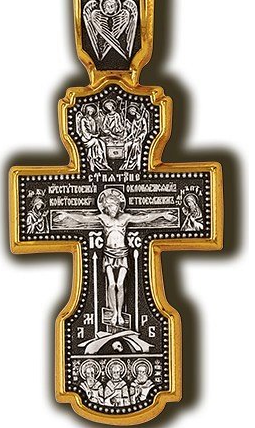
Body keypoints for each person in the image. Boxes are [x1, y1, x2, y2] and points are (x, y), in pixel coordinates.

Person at [55, 189, 176, 326]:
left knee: (120, 284)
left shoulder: (125, 218)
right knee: (112, 284)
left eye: (113, 206)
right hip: (109, 254)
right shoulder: (103, 218)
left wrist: (162, 214)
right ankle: (115, 313)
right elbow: (84, 218)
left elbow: (144, 218)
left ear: (118, 206)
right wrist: (67, 214)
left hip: (122, 254)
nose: (111, 209)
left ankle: (119, 313)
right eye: (108, 207)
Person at [77, 104, 111, 171]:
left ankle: (104, 162)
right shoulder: (83, 119)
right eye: (89, 110)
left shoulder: (92, 120)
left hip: (93, 138)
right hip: (86, 139)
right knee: (95, 141)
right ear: (86, 111)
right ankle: (97, 159)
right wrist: (93, 136)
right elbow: (84, 131)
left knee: (102, 143)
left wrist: (97, 133)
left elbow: (94, 131)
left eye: (92, 111)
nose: (91, 112)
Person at [120, 104, 148, 171]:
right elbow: (132, 132)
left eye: (132, 111)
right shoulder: (134, 121)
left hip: (139, 139)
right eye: (130, 111)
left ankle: (133, 160)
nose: (131, 112)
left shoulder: (143, 119)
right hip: (134, 138)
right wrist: (127, 138)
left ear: (135, 111)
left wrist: (139, 137)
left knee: (135, 145)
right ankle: (126, 160)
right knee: (126, 145)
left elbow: (145, 131)